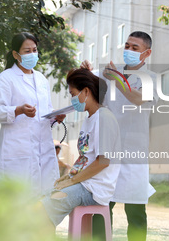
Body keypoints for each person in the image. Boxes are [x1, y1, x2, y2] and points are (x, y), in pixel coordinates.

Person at [82, 31, 158, 240]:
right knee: (102, 206)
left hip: (134, 153)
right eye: (127, 46)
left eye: (135, 48)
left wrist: (117, 79)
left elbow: (138, 99)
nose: (129, 51)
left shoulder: (151, 78)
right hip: (108, 151)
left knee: (135, 212)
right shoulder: (106, 74)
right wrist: (86, 74)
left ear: (147, 53)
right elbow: (86, 95)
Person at [41, 68, 121, 228]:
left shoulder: (104, 118)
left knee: (45, 207)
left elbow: (103, 162)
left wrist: (73, 181)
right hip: (84, 183)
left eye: (72, 94)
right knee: (43, 196)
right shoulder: (89, 119)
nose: (72, 99)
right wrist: (69, 176)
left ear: (85, 91)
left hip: (95, 189)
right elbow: (84, 157)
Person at [0, 32, 65, 196]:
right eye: (27, 51)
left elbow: (45, 113)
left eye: (35, 50)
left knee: (43, 203)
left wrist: (55, 117)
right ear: (16, 54)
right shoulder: (5, 79)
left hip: (43, 151)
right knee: (17, 204)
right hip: (18, 152)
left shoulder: (42, 79)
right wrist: (19, 110)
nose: (32, 54)